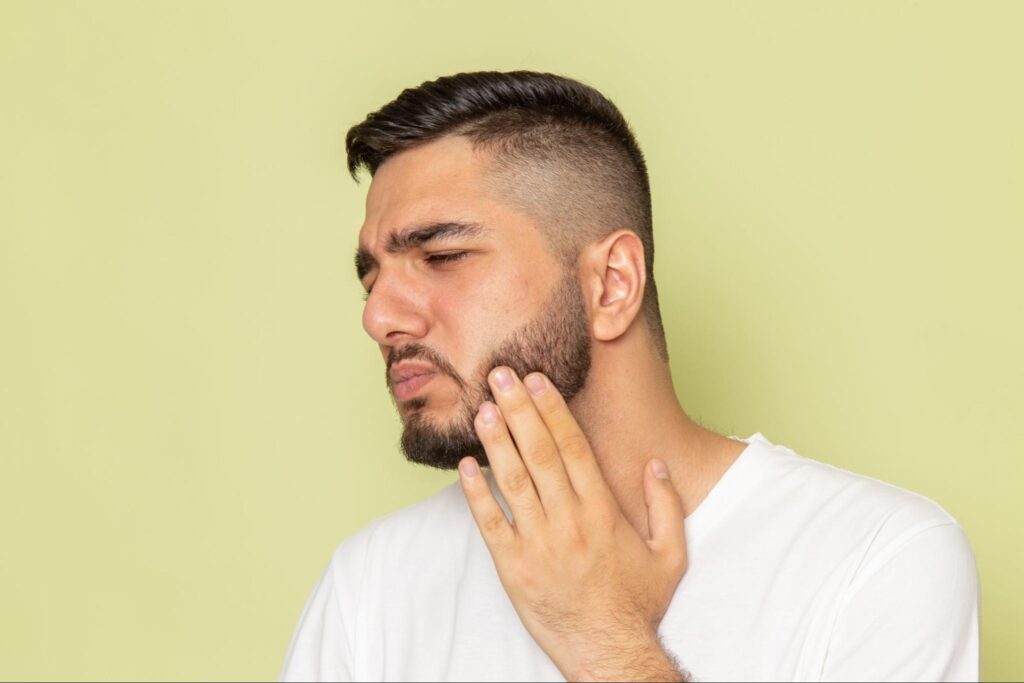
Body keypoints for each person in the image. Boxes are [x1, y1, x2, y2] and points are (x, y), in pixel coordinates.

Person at [279, 70, 979, 682]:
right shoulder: (371, 583)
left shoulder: (878, 561)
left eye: (442, 256)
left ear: (612, 284)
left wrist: (606, 641)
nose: (378, 317)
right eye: (370, 274)